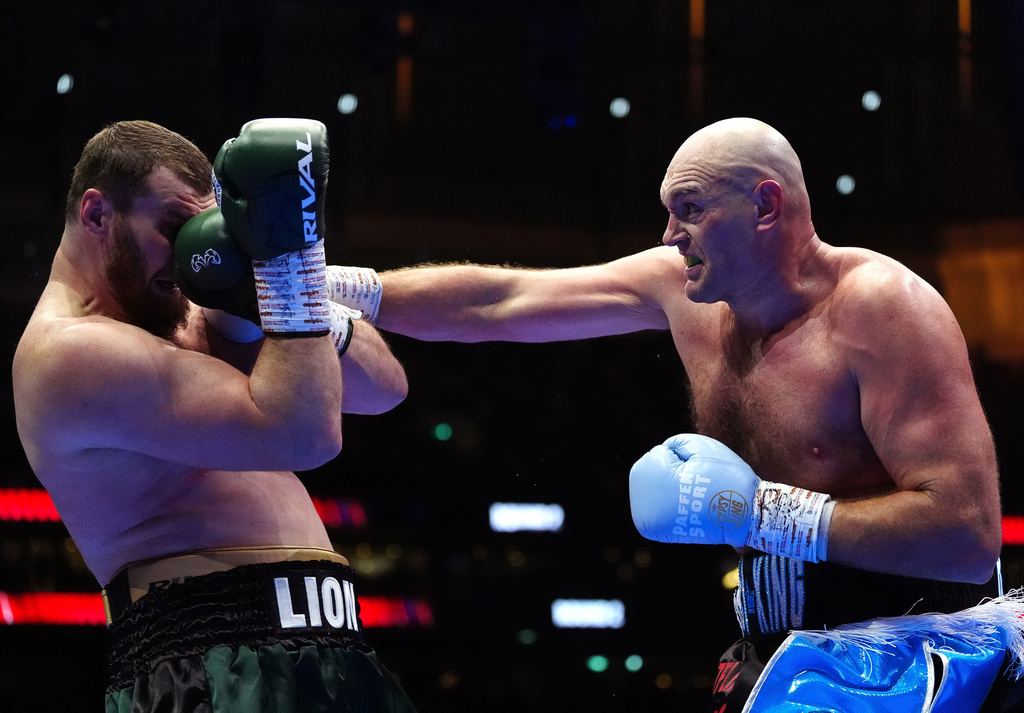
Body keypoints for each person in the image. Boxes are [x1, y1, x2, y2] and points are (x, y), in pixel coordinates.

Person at [348, 117, 1007, 709]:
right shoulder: (683, 290)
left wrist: (764, 512)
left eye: (689, 209)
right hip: (775, 647)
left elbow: (969, 537)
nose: (670, 235)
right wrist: (345, 290)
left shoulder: (884, 309)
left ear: (765, 205)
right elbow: (501, 300)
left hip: (918, 659)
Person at [12, 119, 416, 712]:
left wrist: (262, 281)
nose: (184, 257)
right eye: (173, 228)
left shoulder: (186, 311)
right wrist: (288, 261)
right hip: (210, 666)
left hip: (332, 649)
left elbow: (386, 388)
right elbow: (304, 436)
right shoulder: (70, 353)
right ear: (97, 215)